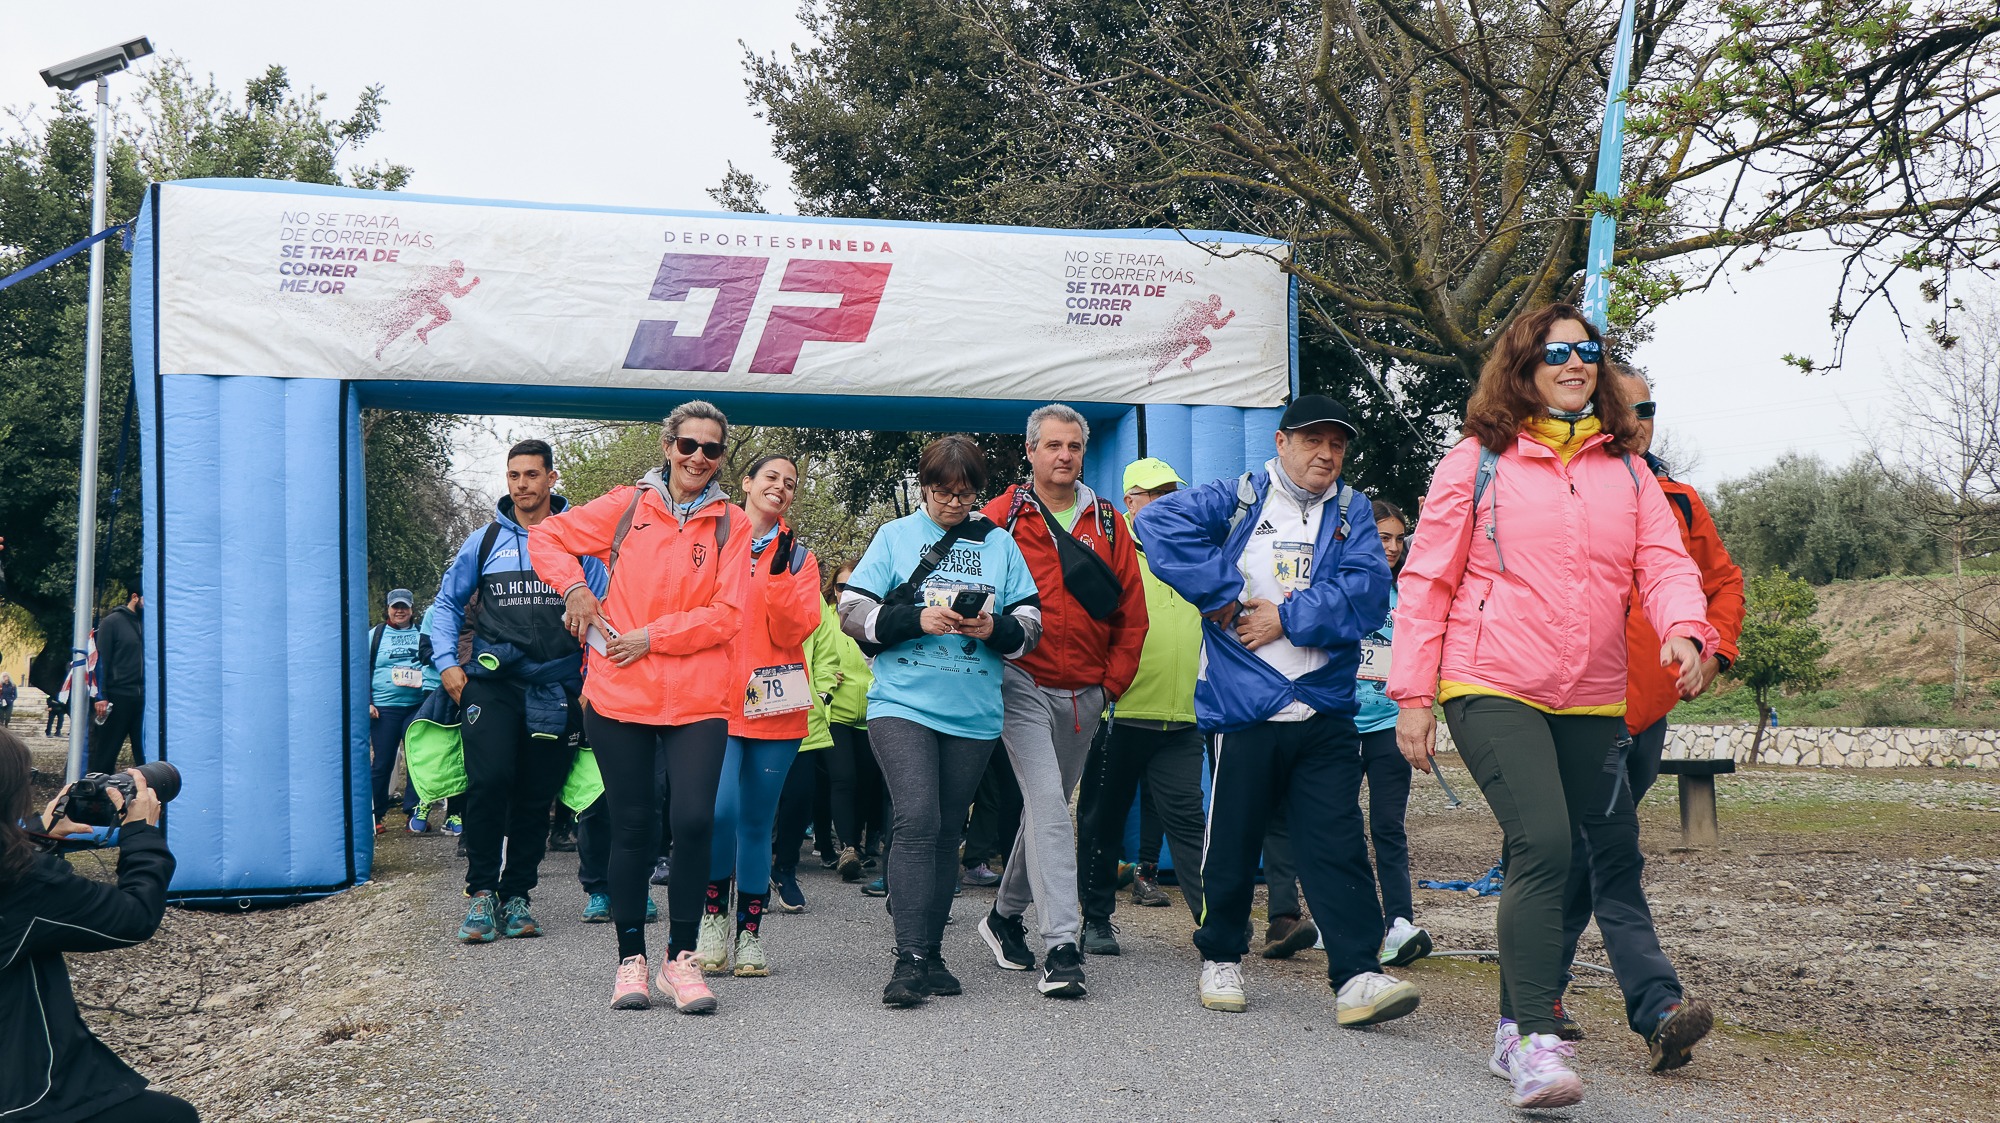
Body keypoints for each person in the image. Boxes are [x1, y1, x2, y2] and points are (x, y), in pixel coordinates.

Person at [1389, 305, 1719, 1109]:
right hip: (1490, 678)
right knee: (1541, 840)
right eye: (1556, 352)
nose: (1575, 363)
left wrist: (1685, 628)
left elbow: (1666, 563)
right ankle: (1534, 1043)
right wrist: (1412, 694)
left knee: (1569, 850)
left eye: (1588, 352)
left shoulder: (1628, 470)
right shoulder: (1476, 461)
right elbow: (1428, 580)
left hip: (1593, 692)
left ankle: (1513, 1021)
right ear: (1523, 366)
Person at [1138, 393, 1420, 1027]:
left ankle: (1356, 975)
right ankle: (1220, 957)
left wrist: (1287, 618)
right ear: (1282, 442)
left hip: (1323, 707)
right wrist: (1229, 601)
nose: (1326, 454)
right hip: (1244, 706)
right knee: (1232, 840)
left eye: (1338, 444)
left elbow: (1370, 594)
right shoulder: (1235, 498)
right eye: (1313, 440)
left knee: (1338, 841)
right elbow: (1156, 525)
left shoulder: (1352, 512)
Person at [530, 401, 746, 1013]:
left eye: (712, 449)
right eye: (688, 446)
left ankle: (681, 960)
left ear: (721, 457)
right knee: (632, 825)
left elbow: (727, 617)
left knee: (696, 821)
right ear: (668, 446)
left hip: (699, 693)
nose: (699, 458)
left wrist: (653, 636)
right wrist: (574, 587)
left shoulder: (732, 524)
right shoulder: (629, 506)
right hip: (621, 691)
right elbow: (547, 534)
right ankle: (631, 960)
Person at [1553, 366, 1740, 1063]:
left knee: (1582, 856)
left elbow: (1722, 584)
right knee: (1611, 856)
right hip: (1579, 712)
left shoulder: (1682, 501)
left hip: (1648, 717)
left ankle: (1538, 990)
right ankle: (1657, 1005)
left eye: (1650, 407)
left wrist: (1714, 653)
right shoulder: (1566, 490)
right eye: (1625, 406)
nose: (1640, 418)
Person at [839, 435, 1042, 1006]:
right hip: (902, 702)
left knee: (948, 830)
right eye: (941, 492)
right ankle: (908, 959)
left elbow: (1030, 621)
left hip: (974, 710)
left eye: (965, 493)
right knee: (918, 818)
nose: (953, 503)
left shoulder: (999, 542)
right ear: (923, 486)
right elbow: (851, 612)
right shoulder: (895, 536)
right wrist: (917, 619)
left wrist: (994, 629)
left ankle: (932, 951)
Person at [976, 404, 1147, 998]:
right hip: (1020, 680)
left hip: (1086, 694)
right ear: (1030, 451)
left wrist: (1110, 685)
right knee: (1050, 807)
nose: (1064, 456)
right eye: (1052, 445)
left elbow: (1132, 613)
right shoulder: (1000, 516)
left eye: (1074, 446)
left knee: (1045, 811)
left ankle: (1002, 917)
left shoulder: (1107, 521)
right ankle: (1061, 947)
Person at [431, 439, 605, 945]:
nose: (522, 484)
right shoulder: (484, 541)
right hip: (492, 681)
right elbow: (446, 605)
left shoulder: (579, 543)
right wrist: (447, 665)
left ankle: (517, 895)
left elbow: (604, 612)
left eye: (532, 475)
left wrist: (592, 680)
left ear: (552, 479)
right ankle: (481, 892)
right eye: (513, 475)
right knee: (490, 779)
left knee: (535, 794)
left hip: (555, 686)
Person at [0, 728, 199, 1123]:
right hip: (24, 1096)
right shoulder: (25, 883)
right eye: (29, 779)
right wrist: (141, 832)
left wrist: (36, 833)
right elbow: (134, 916)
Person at [1075, 457, 1211, 948]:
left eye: (1173, 491)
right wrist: (1103, 687)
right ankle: (1093, 921)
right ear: (1130, 501)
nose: (1166, 501)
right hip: (1120, 711)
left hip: (1183, 716)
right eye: (1155, 493)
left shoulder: (1194, 549)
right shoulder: (1112, 550)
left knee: (1190, 824)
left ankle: (1212, 924)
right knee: (1102, 820)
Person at [695, 454, 822, 978]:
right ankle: (710, 918)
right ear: (745, 482)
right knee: (718, 813)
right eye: (771, 477)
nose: (780, 487)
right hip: (716, 701)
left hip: (775, 703)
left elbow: (797, 629)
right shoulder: (712, 538)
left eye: (789, 483)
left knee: (754, 823)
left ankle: (748, 935)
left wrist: (774, 574)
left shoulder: (799, 556)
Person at [1353, 499, 1431, 969]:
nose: (1393, 548)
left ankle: (1398, 922)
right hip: (1338, 724)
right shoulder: (1343, 584)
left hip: (1388, 724)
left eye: (1399, 539)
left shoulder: (1409, 593)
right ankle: (1345, 919)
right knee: (1338, 827)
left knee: (1388, 825)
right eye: (1384, 537)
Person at [770, 582, 847, 912]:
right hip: (749, 713)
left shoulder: (808, 594)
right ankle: (752, 874)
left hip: (802, 716)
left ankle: (785, 869)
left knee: (799, 798)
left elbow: (828, 654)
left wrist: (823, 696)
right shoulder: (736, 576)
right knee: (754, 803)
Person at [819, 562, 878, 882]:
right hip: (836, 713)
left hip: (872, 715)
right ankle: (849, 848)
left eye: (853, 587)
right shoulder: (824, 616)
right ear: (833, 589)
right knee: (843, 778)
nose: (846, 593)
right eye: (841, 587)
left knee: (867, 784)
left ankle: (860, 844)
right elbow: (812, 652)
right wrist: (824, 677)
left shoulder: (875, 617)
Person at [366, 589, 428, 834]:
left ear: (412, 609)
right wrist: (367, 702)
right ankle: (375, 814)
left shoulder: (423, 632)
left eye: (404, 606)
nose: (399, 611)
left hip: (416, 705)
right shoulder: (376, 634)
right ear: (388, 609)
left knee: (417, 760)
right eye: (395, 607)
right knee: (382, 762)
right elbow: (361, 669)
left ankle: (414, 812)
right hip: (384, 709)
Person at [88, 591, 145, 775]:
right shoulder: (112, 622)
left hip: (143, 697)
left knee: (144, 753)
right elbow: (101, 660)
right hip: (118, 695)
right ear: (134, 597)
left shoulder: (147, 623)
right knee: (107, 752)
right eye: (146, 598)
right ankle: (99, 795)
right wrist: (101, 696)